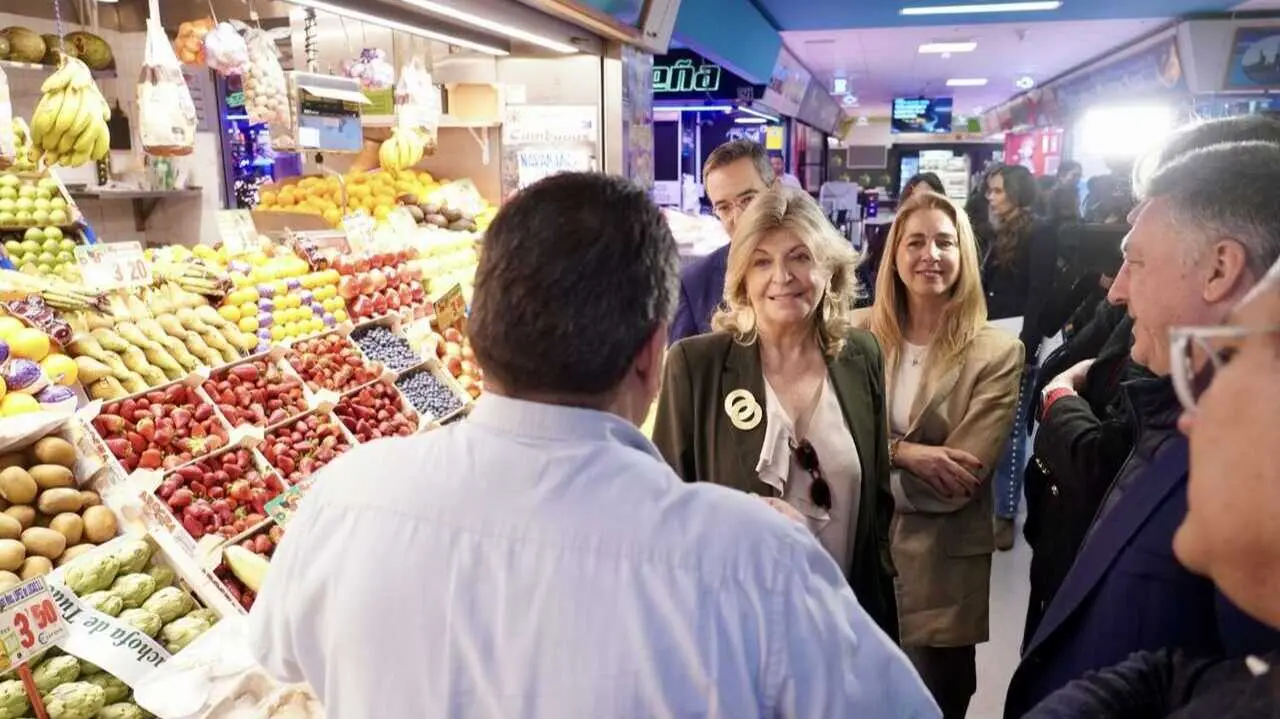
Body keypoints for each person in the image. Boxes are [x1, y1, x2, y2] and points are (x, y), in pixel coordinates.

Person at [248, 173, 938, 718]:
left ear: (472, 333)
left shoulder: (344, 498)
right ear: (652, 356)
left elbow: (279, 660)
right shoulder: (756, 563)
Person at [1004, 142, 1280, 718]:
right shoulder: (1160, 407)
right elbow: (1178, 677)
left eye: (1140, 262)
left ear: (1219, 268)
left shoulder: (1248, 473)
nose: (1116, 290)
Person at [652, 186, 900, 641]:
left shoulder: (861, 355)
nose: (782, 276)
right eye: (762, 261)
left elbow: (878, 506)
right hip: (735, 637)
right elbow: (667, 517)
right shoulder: (696, 366)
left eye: (800, 256)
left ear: (828, 266)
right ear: (742, 277)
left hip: (845, 630)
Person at [856, 190, 1023, 718]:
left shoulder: (996, 352)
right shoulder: (852, 337)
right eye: (917, 241)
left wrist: (867, 467)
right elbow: (825, 448)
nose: (931, 254)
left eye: (945, 242)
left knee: (933, 707)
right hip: (859, 569)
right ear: (894, 255)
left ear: (964, 255)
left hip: (941, 580)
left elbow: (960, 480)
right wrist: (907, 455)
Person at [982, 164, 1059, 549]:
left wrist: (1026, 347)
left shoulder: (1039, 231)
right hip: (991, 336)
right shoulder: (999, 231)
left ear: (1016, 191)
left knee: (1012, 432)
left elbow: (1038, 292)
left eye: (997, 191)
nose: (991, 198)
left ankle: (1005, 512)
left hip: (1016, 340)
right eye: (990, 191)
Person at [669, 140, 776, 344]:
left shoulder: (820, 267)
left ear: (776, 190)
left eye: (748, 199)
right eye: (724, 207)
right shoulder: (694, 285)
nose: (739, 217)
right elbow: (682, 370)